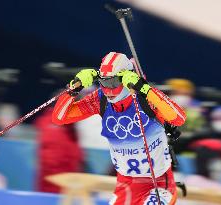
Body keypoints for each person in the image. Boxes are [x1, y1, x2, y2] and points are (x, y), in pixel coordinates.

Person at [52, 52, 186, 205]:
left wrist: (144, 88)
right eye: (103, 82)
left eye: (113, 82)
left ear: (125, 78)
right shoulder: (100, 99)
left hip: (158, 183)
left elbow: (179, 118)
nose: (108, 90)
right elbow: (59, 118)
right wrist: (74, 88)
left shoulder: (145, 98)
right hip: (125, 185)